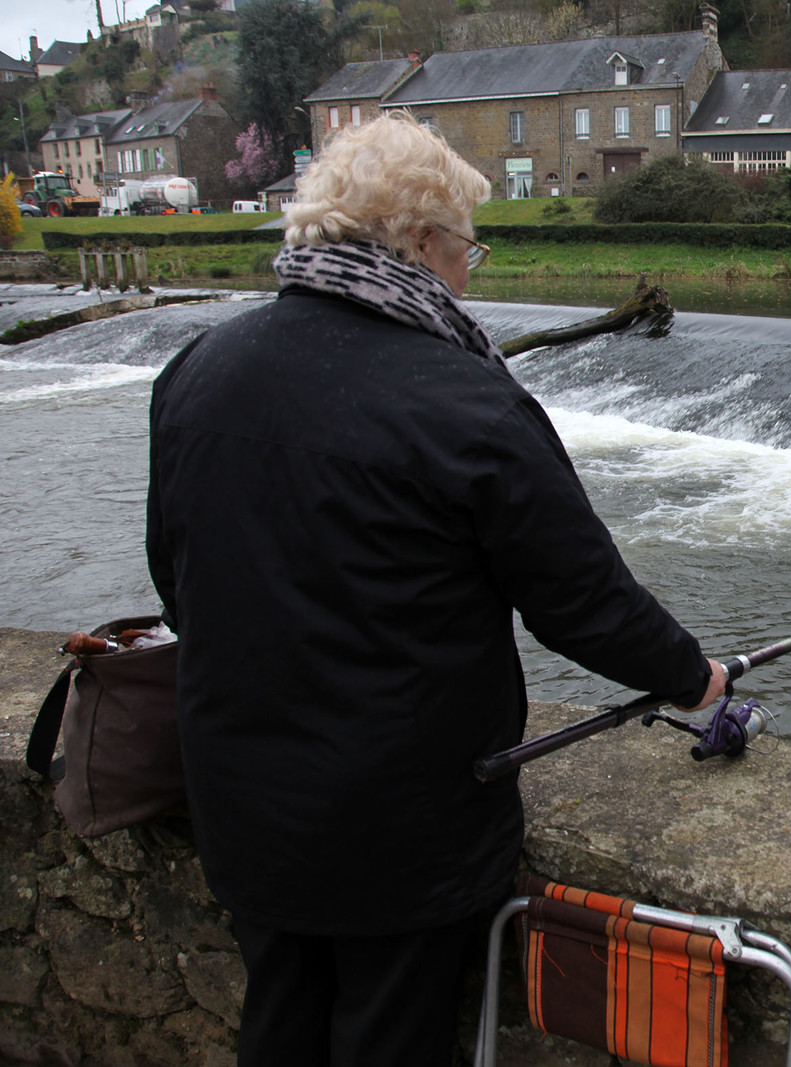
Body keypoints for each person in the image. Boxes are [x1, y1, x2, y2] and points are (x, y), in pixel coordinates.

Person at [145, 112, 725, 1067]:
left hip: (244, 802)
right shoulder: (467, 402)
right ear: (419, 246)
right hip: (401, 826)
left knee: (279, 1023)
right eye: (468, 250)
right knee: (394, 1037)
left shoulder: (201, 371)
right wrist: (694, 677)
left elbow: (178, 584)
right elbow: (581, 599)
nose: (471, 274)